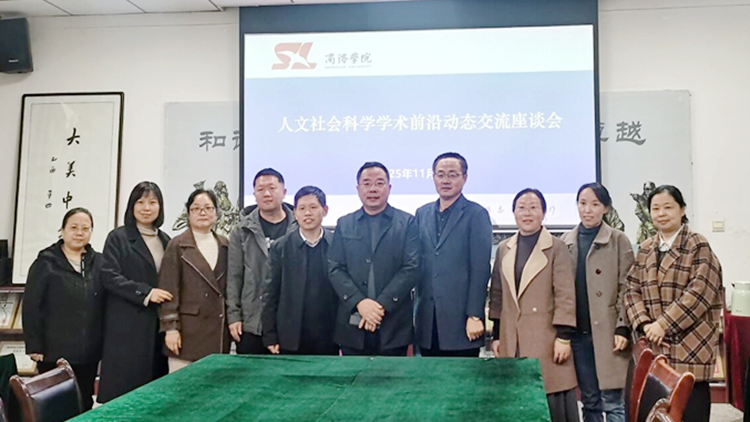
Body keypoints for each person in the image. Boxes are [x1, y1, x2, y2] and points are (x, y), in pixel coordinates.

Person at [624, 185, 723, 422]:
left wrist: (663, 325)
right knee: (653, 414)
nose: (661, 213)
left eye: (668, 207)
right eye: (655, 208)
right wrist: (645, 324)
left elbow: (699, 294)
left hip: (689, 346)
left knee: (689, 412)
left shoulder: (697, 245)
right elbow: (631, 289)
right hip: (654, 345)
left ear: (682, 210)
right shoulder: (646, 248)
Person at [490, 188, 578, 422]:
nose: (527, 213)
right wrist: (497, 335)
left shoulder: (556, 247)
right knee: (515, 398)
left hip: (546, 338)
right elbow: (497, 295)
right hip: (511, 338)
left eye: (533, 208)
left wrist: (564, 337)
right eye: (521, 208)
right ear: (514, 212)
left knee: (549, 397)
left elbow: (565, 294)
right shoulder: (504, 248)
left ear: (543, 213)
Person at [560, 183, 634, 422]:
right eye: (582, 203)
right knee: (589, 400)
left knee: (613, 401)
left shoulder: (618, 240)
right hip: (578, 334)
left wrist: (622, 327)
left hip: (610, 334)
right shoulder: (566, 241)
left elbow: (628, 288)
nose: (587, 210)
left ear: (606, 208)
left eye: (595, 204)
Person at [328, 162, 420, 356]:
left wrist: (378, 307)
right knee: (353, 375)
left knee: (392, 375)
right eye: (367, 183)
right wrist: (360, 303)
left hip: (394, 325)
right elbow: (335, 268)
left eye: (379, 183)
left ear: (389, 187)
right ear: (358, 189)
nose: (373, 189)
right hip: (352, 322)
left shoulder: (407, 223)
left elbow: (412, 267)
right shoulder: (344, 224)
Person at [98, 182, 173, 403]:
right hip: (126, 326)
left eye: (152, 202)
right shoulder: (118, 237)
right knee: (125, 392)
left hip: (157, 326)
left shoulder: (166, 240)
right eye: (140, 202)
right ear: (131, 206)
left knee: (154, 391)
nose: (146, 208)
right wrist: (146, 293)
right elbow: (109, 276)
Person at [24, 208, 103, 410]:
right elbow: (32, 305)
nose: (79, 233)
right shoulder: (46, 262)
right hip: (54, 350)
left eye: (85, 228)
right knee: (56, 405)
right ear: (62, 231)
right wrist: (34, 345)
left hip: (88, 351)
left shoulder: (99, 262)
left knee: (84, 401)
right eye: (74, 228)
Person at [414, 152, 492, 357]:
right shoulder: (422, 214)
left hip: (462, 322)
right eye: (440, 175)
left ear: (464, 178)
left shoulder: (476, 214)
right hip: (428, 321)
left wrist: (475, 314)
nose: (445, 180)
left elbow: (480, 269)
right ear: (433, 177)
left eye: (452, 175)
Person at [227, 168, 297, 354]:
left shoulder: (297, 228)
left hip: (290, 322)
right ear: (254, 194)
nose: (266, 194)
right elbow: (234, 277)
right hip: (252, 322)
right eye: (260, 189)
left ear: (284, 192)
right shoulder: (242, 231)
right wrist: (234, 317)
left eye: (272, 188)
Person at [159, 189, 230, 372]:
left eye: (208, 208)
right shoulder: (177, 245)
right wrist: (170, 329)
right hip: (186, 332)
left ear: (216, 213)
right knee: (182, 385)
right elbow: (168, 289)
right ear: (188, 213)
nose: (202, 213)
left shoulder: (226, 245)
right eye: (196, 208)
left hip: (217, 331)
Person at [261, 186, 338, 355]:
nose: (307, 213)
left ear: (325, 210)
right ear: (295, 213)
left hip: (329, 335)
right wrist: (270, 335)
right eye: (302, 208)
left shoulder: (337, 244)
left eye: (313, 207)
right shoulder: (281, 247)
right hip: (291, 336)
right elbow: (270, 293)